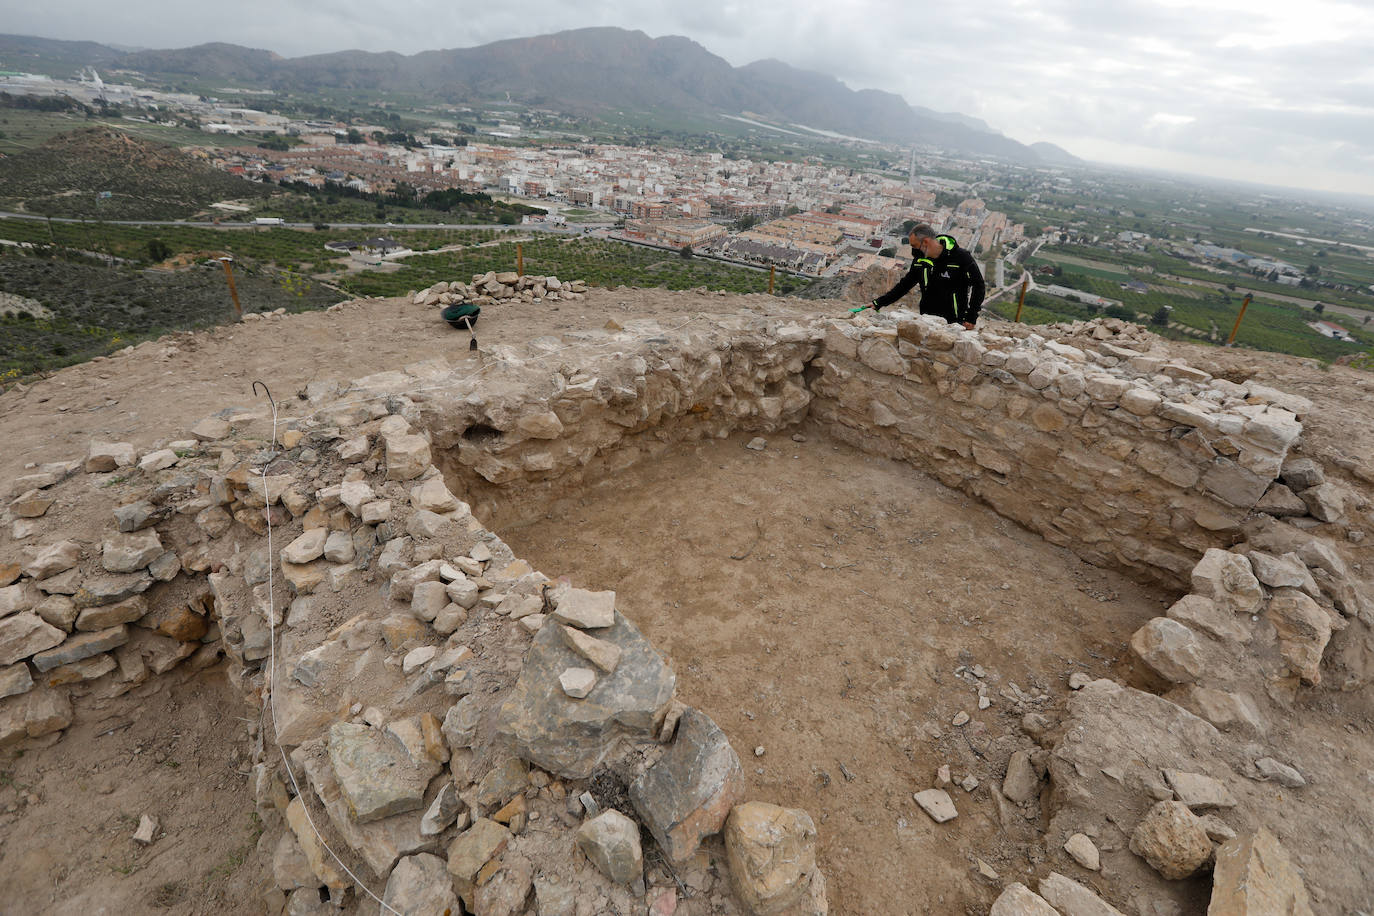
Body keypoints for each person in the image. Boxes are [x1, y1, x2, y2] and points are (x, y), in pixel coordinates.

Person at [868, 223, 985, 329]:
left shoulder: (961, 257)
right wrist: (879, 303)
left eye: (914, 246)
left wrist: (971, 316)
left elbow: (979, 286)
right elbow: (905, 285)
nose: (913, 251)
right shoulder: (920, 260)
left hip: (954, 322)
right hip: (926, 320)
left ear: (925, 242)